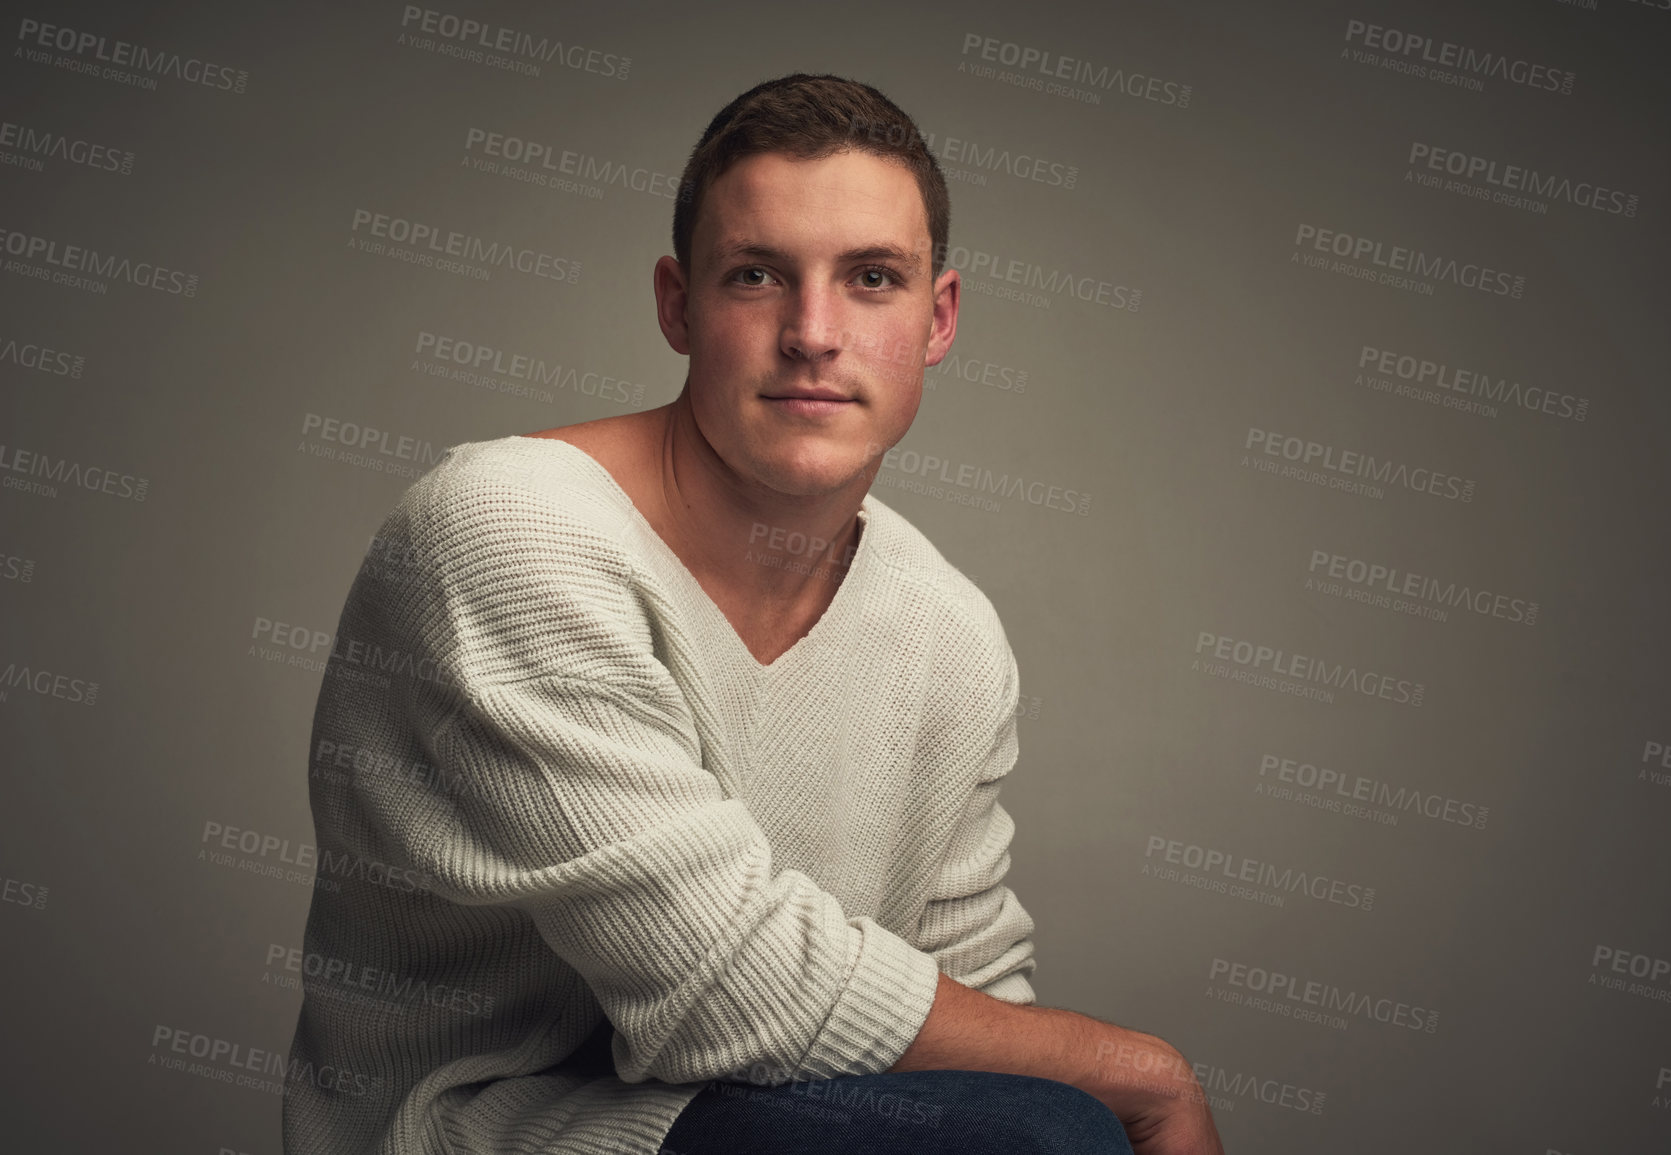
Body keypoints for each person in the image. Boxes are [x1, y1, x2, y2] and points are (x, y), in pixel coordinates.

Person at [283, 73, 1224, 1155]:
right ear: (679, 305)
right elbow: (715, 987)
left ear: (939, 319)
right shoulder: (507, 530)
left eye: (873, 278)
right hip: (495, 1132)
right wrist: (1146, 1077)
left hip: (783, 1114)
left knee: (1048, 1122)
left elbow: (979, 1006)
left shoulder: (946, 628)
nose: (813, 333)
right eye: (757, 276)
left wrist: (1096, 1091)